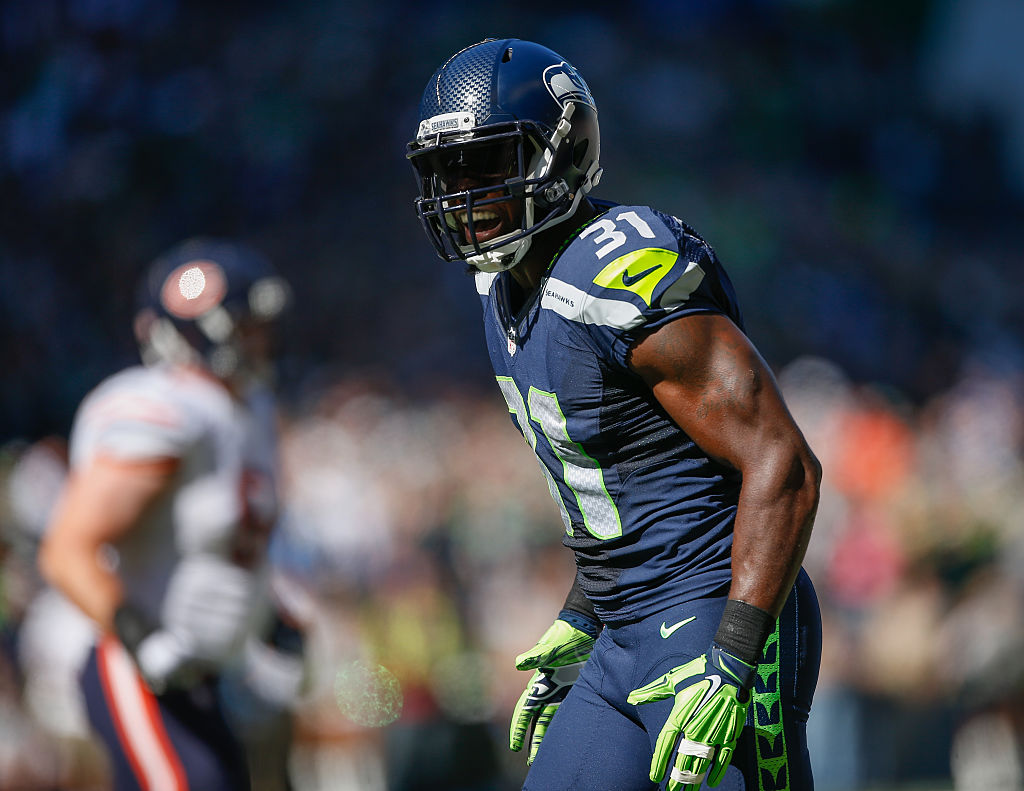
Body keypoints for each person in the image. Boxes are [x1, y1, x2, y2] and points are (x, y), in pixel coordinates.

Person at [406, 38, 823, 791]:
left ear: (558, 155)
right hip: (625, 631)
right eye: (447, 171)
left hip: (711, 613)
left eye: (485, 166)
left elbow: (784, 464)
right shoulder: (501, 290)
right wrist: (584, 611)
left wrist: (734, 654)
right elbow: (621, 481)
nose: (461, 192)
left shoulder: (617, 271)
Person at [38, 238, 304, 791]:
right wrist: (143, 639)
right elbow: (67, 551)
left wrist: (272, 619)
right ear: (200, 330)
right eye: (245, 327)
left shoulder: (248, 410)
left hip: (207, 674)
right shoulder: (163, 407)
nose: (261, 341)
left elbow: (222, 547)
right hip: (137, 668)